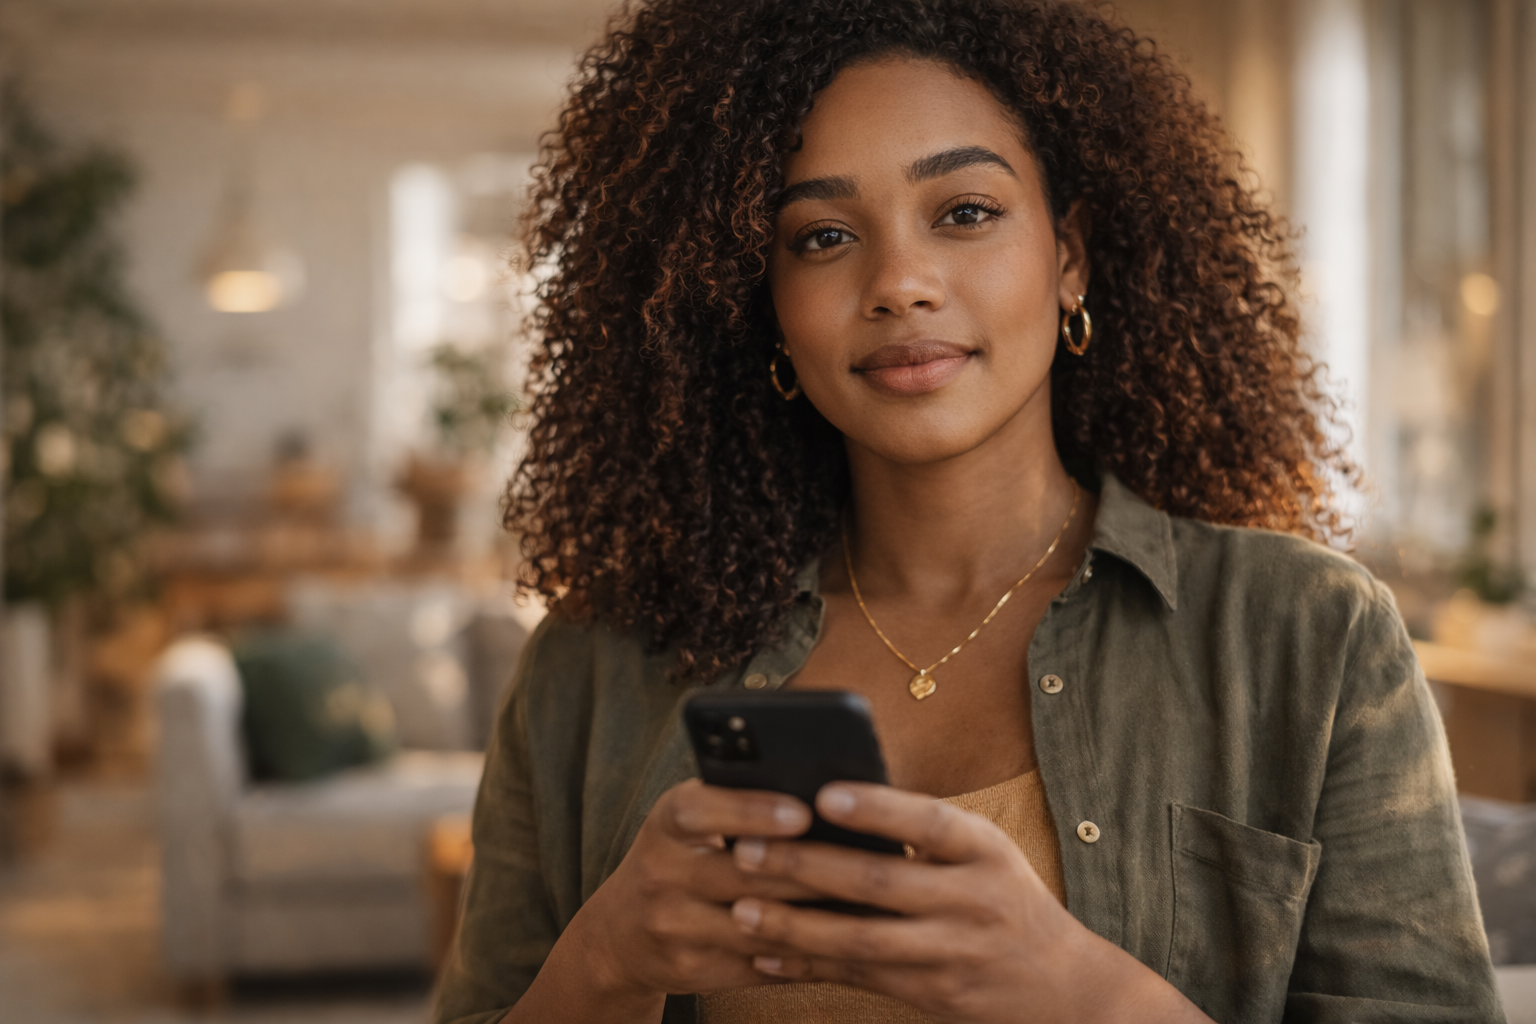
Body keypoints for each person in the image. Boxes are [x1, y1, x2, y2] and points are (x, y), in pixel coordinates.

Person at [434, 1, 1503, 1021]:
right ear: (763, 301)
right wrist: (609, 962)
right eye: (822, 236)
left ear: (1069, 258)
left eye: (966, 213)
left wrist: (1080, 993)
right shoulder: (592, 666)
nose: (900, 282)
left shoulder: (1310, 639)